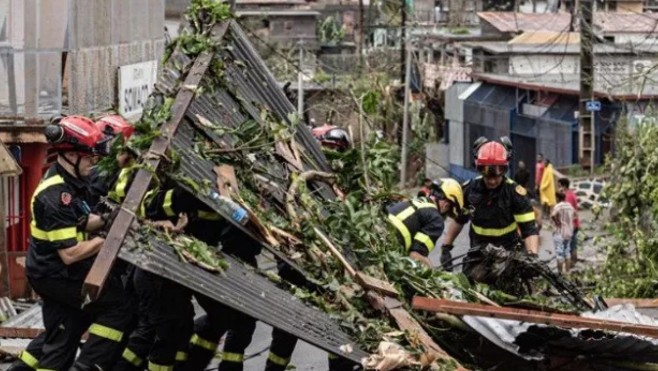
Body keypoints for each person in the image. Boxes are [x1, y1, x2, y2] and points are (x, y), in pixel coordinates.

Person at [15, 116, 132, 371]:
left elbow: (80, 221)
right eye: (89, 157)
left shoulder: (70, 182)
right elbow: (70, 253)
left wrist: (105, 220)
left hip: (55, 271)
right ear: (70, 155)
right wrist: (109, 239)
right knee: (117, 305)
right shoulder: (55, 196)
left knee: (63, 335)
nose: (93, 162)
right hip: (55, 273)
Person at [441, 139, 539, 280]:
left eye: (496, 177)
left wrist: (533, 256)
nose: (492, 181)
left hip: (508, 253)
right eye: (488, 177)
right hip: (478, 253)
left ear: (504, 170)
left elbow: (529, 230)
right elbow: (459, 220)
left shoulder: (515, 193)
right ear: (480, 169)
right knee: (470, 284)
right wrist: (446, 247)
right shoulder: (470, 189)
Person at [388, 178, 463, 268]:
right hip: (390, 246)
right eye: (448, 212)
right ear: (447, 205)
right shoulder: (436, 219)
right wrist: (432, 272)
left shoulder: (416, 201)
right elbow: (415, 255)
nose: (445, 216)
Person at [551, 191, 575, 274]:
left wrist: (557, 222)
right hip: (569, 232)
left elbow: (553, 215)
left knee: (559, 254)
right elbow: (574, 215)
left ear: (557, 198)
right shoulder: (570, 206)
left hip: (559, 232)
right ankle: (567, 272)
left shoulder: (558, 206)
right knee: (567, 252)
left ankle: (560, 274)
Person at [558, 178, 580, 263]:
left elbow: (569, 213)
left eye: (559, 186)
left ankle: (572, 265)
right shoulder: (570, 194)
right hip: (574, 224)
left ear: (564, 186)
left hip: (571, 225)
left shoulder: (568, 196)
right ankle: (574, 265)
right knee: (572, 245)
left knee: (569, 246)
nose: (558, 188)